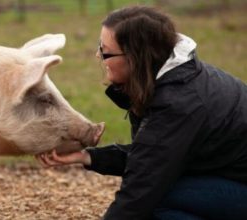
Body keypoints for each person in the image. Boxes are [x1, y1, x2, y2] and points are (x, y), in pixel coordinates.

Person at [35, 6, 247, 220]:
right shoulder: (170, 78)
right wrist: (87, 157)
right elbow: (154, 154)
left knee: (157, 200)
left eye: (106, 50)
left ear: (135, 58)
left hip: (239, 186)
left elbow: (143, 185)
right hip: (227, 176)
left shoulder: (178, 103)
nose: (99, 55)